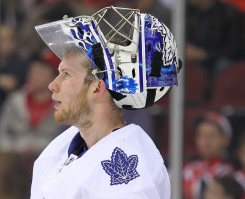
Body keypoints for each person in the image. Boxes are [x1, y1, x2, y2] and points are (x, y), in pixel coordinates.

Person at [31, 6, 182, 199]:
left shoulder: (127, 170)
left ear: (97, 88)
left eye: (66, 75)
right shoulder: (60, 148)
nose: (53, 85)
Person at [183, 111, 234, 199]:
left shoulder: (233, 172)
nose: (206, 141)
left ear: (226, 139)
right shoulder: (186, 168)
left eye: (212, 135)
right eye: (201, 135)